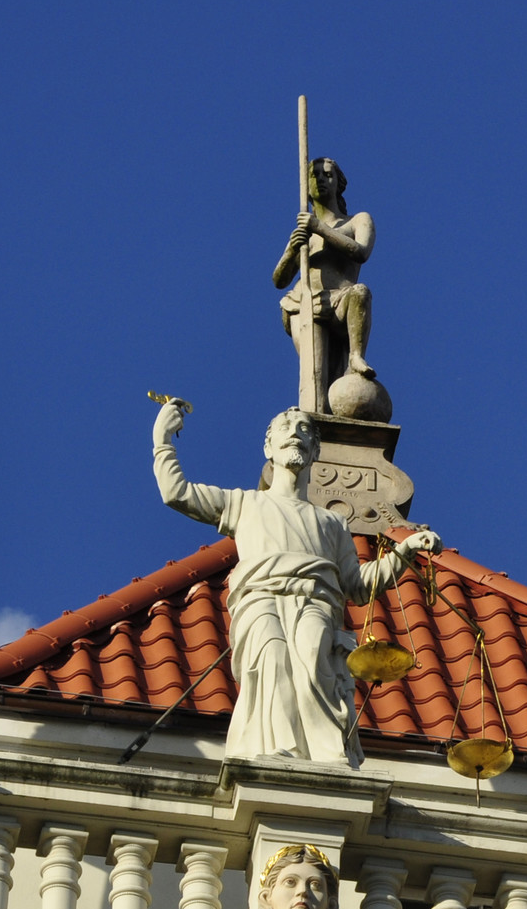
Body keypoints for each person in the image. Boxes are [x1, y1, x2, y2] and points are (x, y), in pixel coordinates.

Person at [152, 399, 438, 764]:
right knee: (270, 661)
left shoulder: (332, 523)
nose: (295, 434)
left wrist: (405, 551)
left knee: (314, 665)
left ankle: (325, 756)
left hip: (316, 603)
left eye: (304, 429)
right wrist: (163, 440)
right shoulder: (244, 504)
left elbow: (357, 584)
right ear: (268, 448)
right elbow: (177, 493)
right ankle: (274, 750)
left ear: (316, 451)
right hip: (261, 599)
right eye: (285, 428)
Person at [274, 157, 375, 408]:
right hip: (305, 303)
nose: (320, 178)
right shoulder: (304, 231)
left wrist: (321, 229)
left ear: (339, 184)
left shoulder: (357, 220)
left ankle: (356, 356)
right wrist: (292, 250)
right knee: (315, 378)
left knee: (360, 293)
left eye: (327, 174)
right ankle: (314, 419)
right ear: (306, 186)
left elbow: (361, 251)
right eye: (314, 174)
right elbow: (279, 279)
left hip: (341, 300)